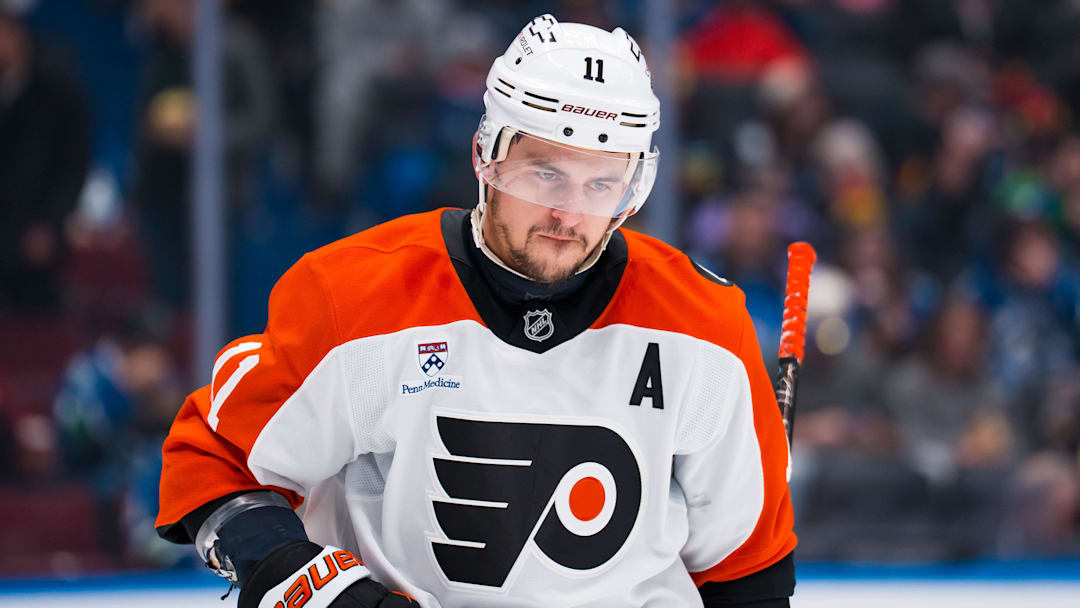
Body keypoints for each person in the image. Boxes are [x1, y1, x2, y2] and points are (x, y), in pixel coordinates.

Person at [155, 15, 795, 608]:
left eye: (601, 183)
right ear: (486, 155)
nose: (569, 214)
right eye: (545, 174)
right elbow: (213, 460)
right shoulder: (355, 296)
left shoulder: (703, 326)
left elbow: (747, 567)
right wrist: (304, 582)